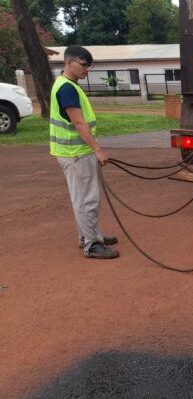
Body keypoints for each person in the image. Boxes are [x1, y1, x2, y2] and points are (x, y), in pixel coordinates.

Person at [50, 45, 119, 259]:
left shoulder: (67, 85)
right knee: (87, 199)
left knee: (84, 197)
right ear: (69, 62)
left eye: (89, 66)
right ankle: (92, 244)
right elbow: (79, 123)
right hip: (76, 153)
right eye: (84, 65)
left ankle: (88, 235)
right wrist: (97, 149)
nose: (86, 69)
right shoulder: (67, 88)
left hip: (75, 151)